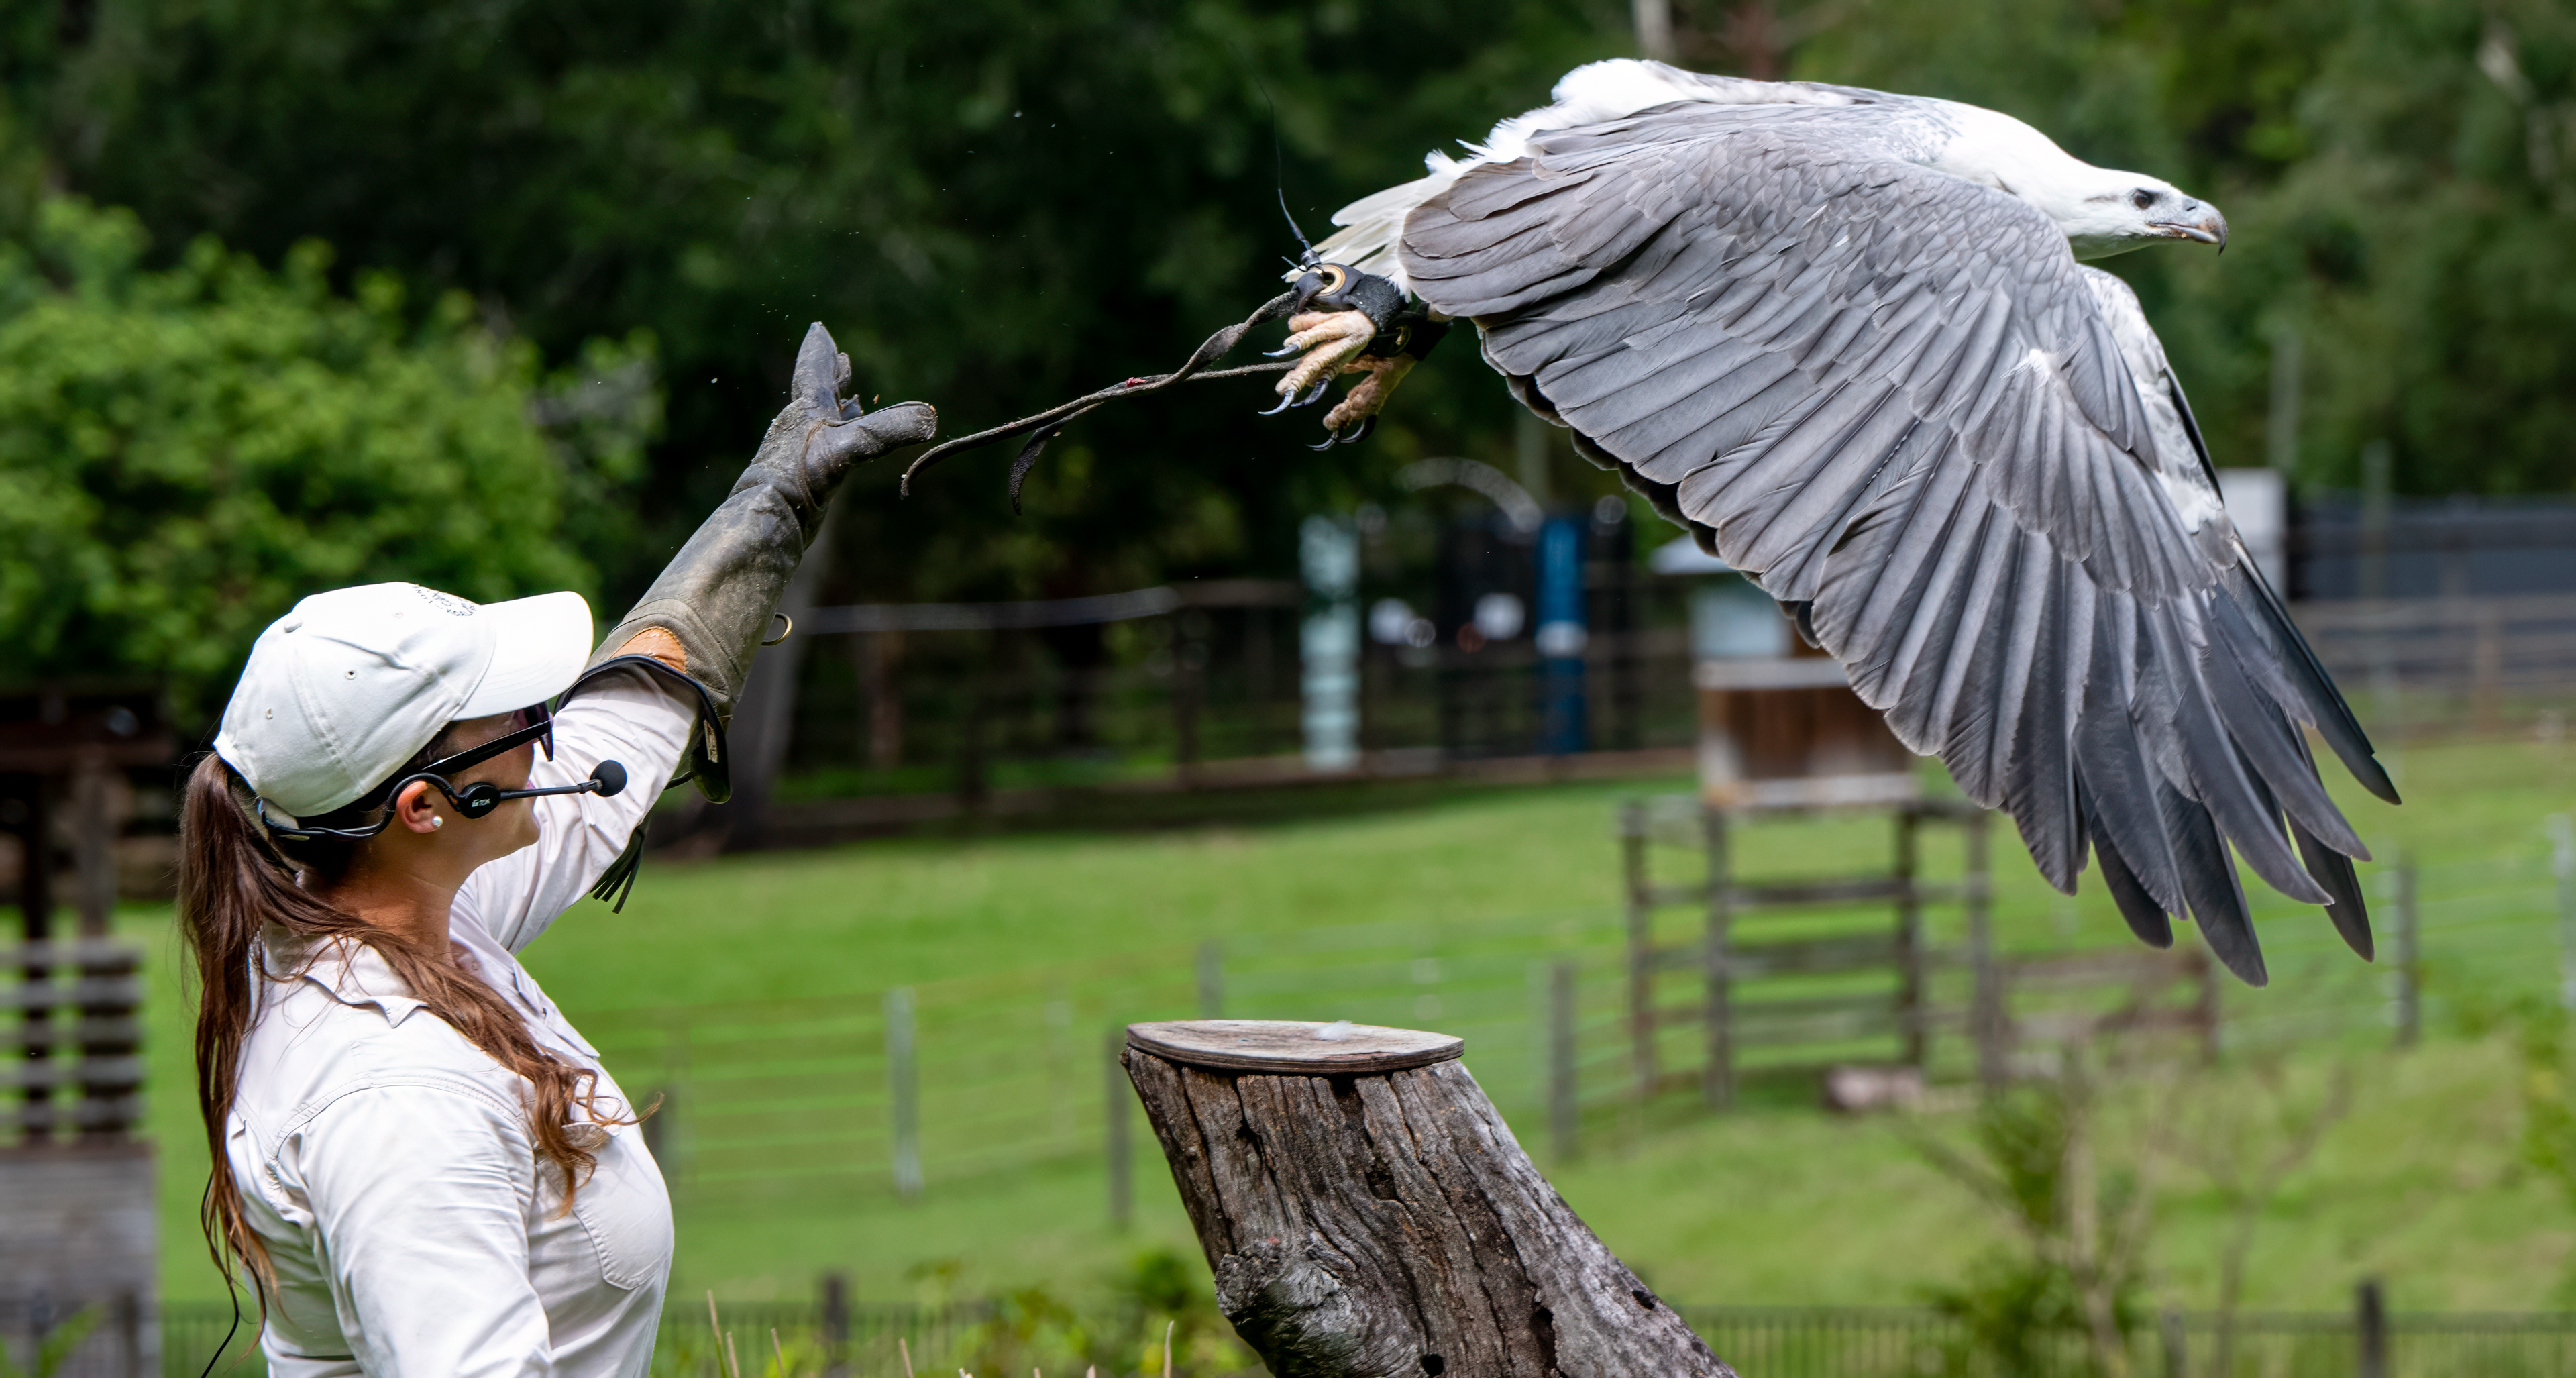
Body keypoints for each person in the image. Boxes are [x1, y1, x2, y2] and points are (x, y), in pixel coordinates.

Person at [176, 325, 934, 1377]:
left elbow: (611, 734)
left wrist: (771, 505)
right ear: (425, 805)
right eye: (509, 711)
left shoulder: (407, 916)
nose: (547, 722)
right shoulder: (396, 1096)